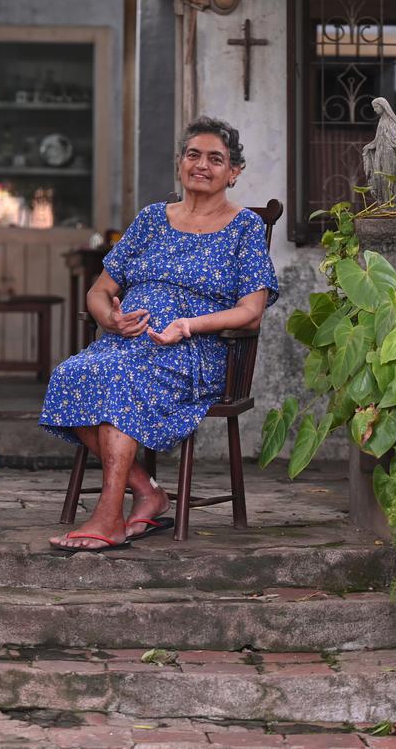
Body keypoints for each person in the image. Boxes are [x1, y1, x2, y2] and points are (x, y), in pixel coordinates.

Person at [39, 117, 279, 552]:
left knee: (119, 380)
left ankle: (109, 515)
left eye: (215, 158)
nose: (201, 165)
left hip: (195, 350)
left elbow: (251, 312)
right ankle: (148, 493)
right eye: (193, 155)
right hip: (123, 344)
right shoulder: (151, 219)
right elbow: (99, 291)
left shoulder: (243, 228)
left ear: (234, 171)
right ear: (179, 164)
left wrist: (187, 325)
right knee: (71, 375)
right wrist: (109, 319)